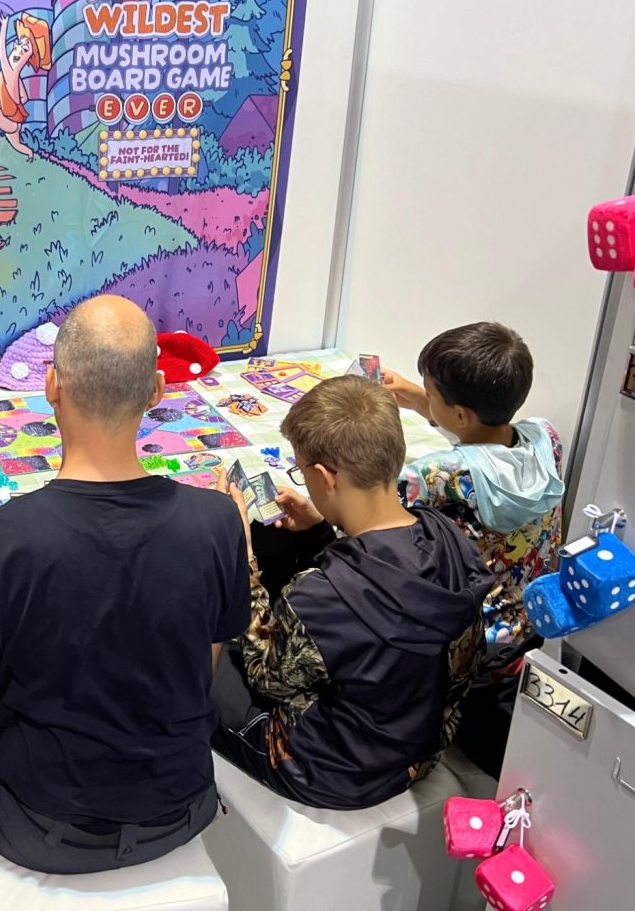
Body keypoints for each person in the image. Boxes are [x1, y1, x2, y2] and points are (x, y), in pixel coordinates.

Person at [0, 296, 250, 875]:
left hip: (38, 827)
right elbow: (200, 670)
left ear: (51, 385)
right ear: (158, 390)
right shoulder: (218, 520)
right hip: (181, 806)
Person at [213, 375, 487, 809]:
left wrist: (240, 564)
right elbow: (383, 590)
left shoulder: (319, 597)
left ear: (325, 476)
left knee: (195, 654)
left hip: (330, 771)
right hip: (420, 751)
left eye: (302, 471)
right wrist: (322, 534)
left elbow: (267, 677)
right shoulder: (448, 538)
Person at [383, 321, 565, 775]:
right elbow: (486, 448)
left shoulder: (433, 474)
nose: (426, 396)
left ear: (461, 414)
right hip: (535, 622)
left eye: (432, 393)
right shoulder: (546, 439)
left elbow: (370, 503)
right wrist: (420, 400)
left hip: (467, 644)